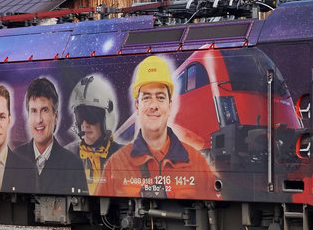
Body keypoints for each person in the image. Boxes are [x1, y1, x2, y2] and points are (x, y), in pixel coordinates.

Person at [96, 55, 220, 200]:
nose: (153, 106)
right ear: (137, 106)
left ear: (170, 105)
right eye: (146, 98)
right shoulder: (115, 164)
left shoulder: (197, 162)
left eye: (160, 97)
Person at [12, 77, 88, 195]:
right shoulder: (14, 159)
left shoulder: (73, 165)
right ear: (28, 116)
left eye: (44, 110)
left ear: (56, 117)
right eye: (33, 111)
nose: (39, 119)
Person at [65, 74, 123, 194]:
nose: (85, 124)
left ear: (106, 118)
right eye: (81, 116)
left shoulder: (123, 156)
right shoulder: (67, 155)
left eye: (91, 116)